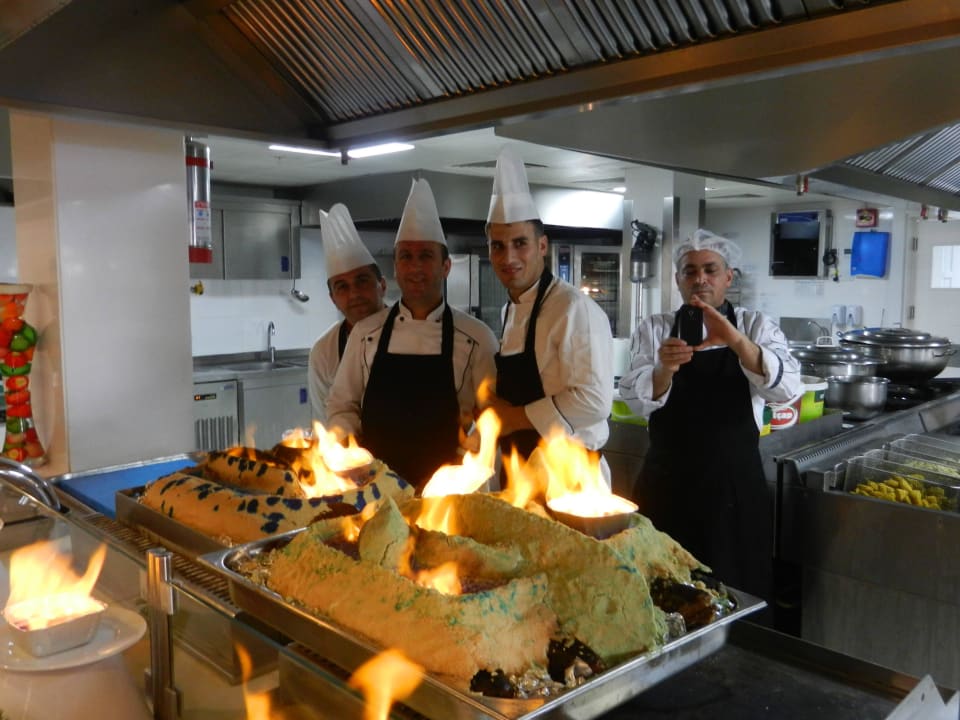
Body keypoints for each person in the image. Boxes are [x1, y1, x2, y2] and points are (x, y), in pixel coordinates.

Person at [618, 228, 801, 597]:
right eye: (690, 271)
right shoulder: (655, 329)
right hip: (667, 483)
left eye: (710, 270)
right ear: (678, 279)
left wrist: (735, 340)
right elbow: (633, 400)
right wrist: (664, 369)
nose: (700, 279)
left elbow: (786, 389)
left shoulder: (755, 326)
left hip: (734, 488)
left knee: (735, 589)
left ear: (728, 277)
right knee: (661, 588)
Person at [326, 178, 498, 492]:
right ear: (395, 267)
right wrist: (348, 450)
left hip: (449, 494)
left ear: (446, 266)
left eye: (426, 256)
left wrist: (465, 465)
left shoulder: (478, 339)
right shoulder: (365, 334)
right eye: (406, 256)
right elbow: (342, 406)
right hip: (376, 490)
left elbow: (491, 418)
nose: (415, 266)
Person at [484, 147, 614, 472]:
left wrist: (512, 418)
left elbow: (594, 402)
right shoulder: (509, 311)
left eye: (520, 243)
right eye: (498, 246)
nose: (508, 258)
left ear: (542, 246)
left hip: (570, 476)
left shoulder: (572, 308)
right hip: (521, 471)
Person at [308, 203, 386, 424]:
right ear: (332, 298)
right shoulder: (324, 351)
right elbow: (324, 421)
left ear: (382, 285)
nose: (354, 294)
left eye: (362, 280)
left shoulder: (412, 331)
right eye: (342, 286)